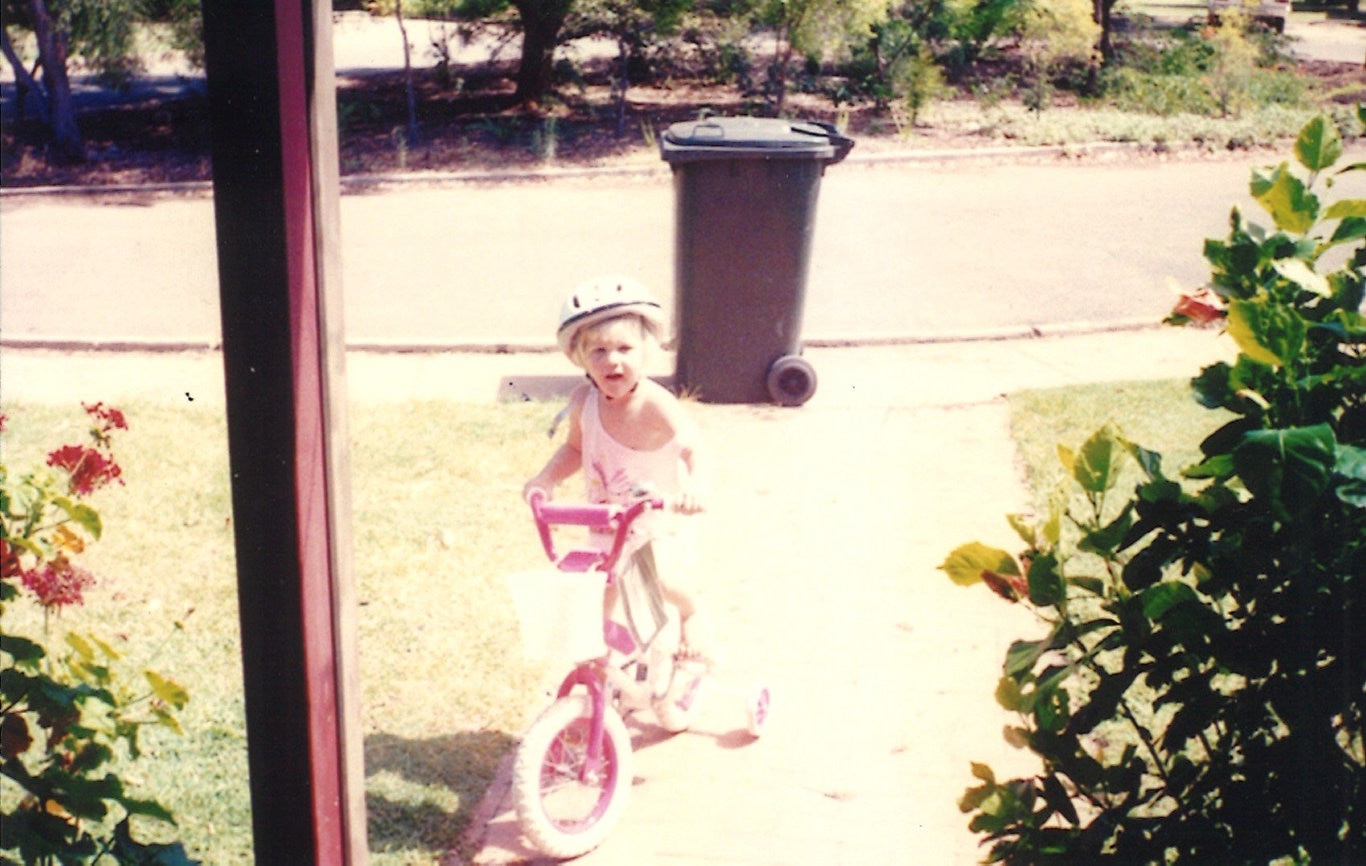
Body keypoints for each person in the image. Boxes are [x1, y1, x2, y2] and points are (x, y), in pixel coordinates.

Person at [523, 275, 712, 659]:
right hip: (605, 522)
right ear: (581, 358)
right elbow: (574, 449)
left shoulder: (654, 404)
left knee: (657, 580)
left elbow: (694, 448)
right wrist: (546, 479)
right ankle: (605, 673)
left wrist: (696, 486)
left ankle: (691, 613)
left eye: (625, 348)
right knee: (598, 598)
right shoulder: (583, 402)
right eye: (598, 351)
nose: (612, 360)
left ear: (646, 351)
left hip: (652, 524)